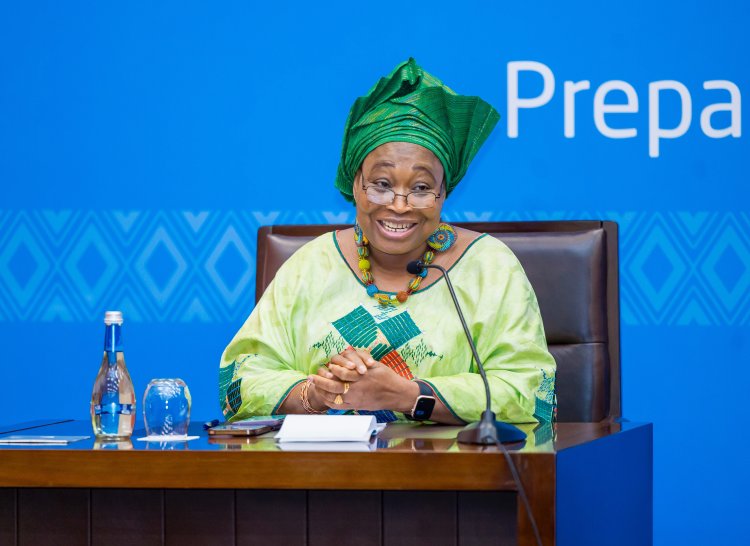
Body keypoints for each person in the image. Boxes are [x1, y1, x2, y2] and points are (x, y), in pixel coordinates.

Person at [219, 58, 556, 425]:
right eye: (381, 184)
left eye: (421, 188)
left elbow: (531, 393)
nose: (399, 205)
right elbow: (239, 382)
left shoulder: (489, 267)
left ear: (444, 194)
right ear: (355, 185)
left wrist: (408, 395)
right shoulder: (310, 265)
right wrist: (316, 394)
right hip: (321, 460)